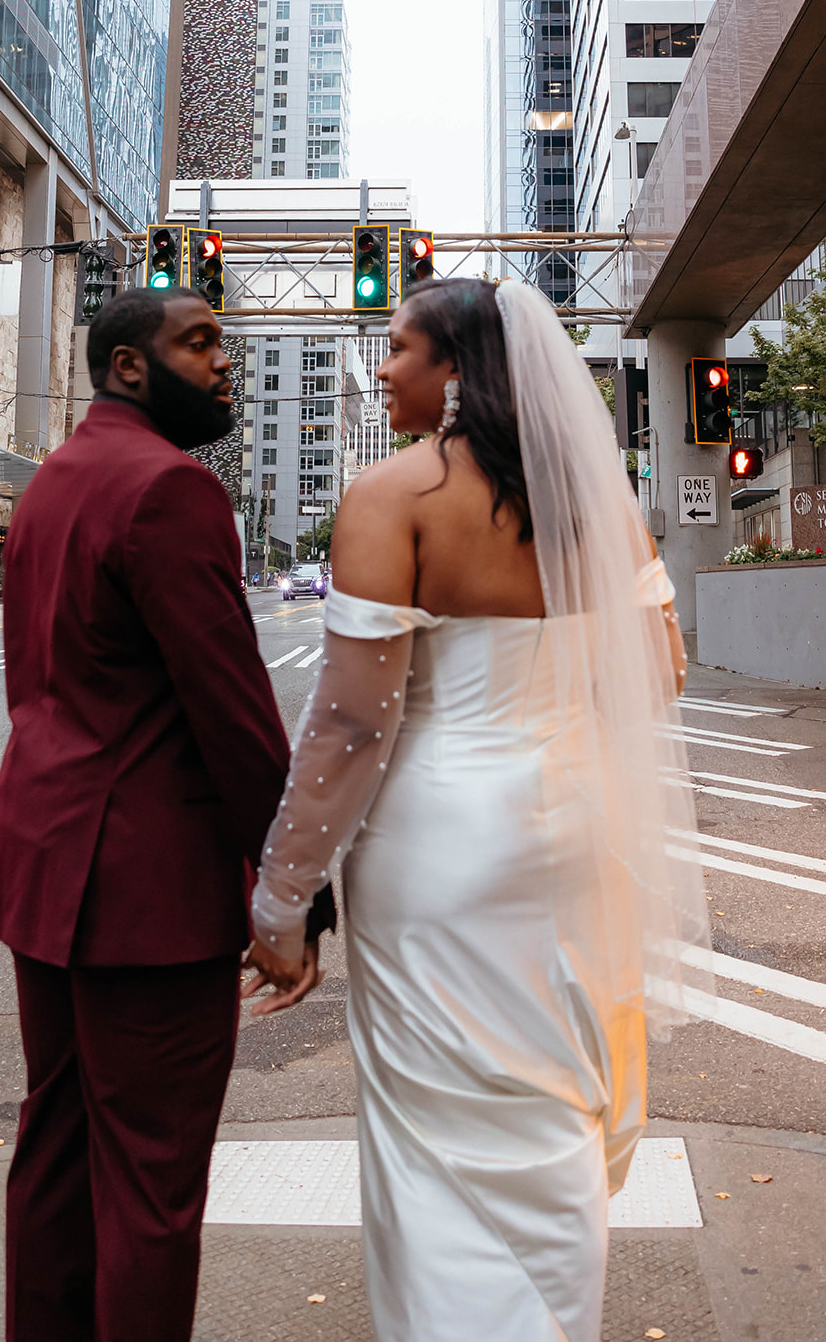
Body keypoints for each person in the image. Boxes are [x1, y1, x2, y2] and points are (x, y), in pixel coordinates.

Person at [246, 279, 711, 1341]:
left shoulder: (394, 496)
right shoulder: (596, 504)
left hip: (439, 842)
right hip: (575, 830)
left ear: (454, 366)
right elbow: (662, 672)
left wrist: (284, 898)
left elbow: (352, 727)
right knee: (553, 1100)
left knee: (439, 1128)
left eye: (399, 349)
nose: (383, 370)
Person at [0, 288, 333, 1342]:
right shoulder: (170, 490)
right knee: (153, 1187)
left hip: (45, 869)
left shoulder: (54, 485)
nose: (226, 363)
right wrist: (292, 894)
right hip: (145, 893)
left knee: (57, 1149)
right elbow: (233, 716)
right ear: (130, 366)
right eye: (202, 343)